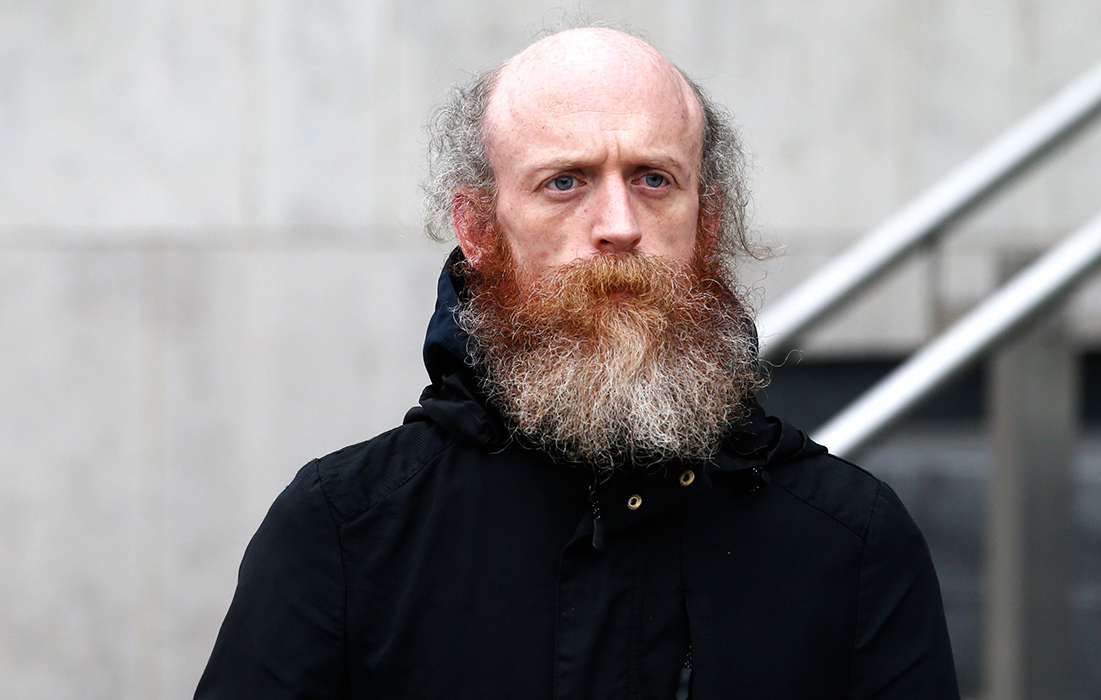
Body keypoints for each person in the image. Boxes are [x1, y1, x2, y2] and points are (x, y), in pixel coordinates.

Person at [195, 26, 960, 700]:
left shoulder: (850, 542)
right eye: (565, 182)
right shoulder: (345, 531)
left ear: (707, 222)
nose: (619, 226)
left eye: (654, 179)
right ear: (478, 229)